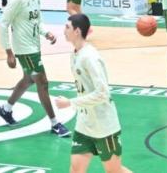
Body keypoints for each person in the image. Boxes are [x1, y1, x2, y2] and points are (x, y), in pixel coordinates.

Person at [0, 0, 71, 137]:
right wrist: (8, 52)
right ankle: (54, 123)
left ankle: (6, 109)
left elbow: (37, 21)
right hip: (24, 49)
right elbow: (3, 23)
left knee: (28, 80)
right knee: (42, 82)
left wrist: (47, 33)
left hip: (34, 46)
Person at [55, 14, 132, 173]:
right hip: (84, 124)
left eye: (67, 27)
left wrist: (71, 103)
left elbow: (102, 93)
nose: (64, 30)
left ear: (77, 31)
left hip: (104, 125)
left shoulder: (90, 57)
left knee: (114, 171)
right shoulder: (75, 54)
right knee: (76, 170)